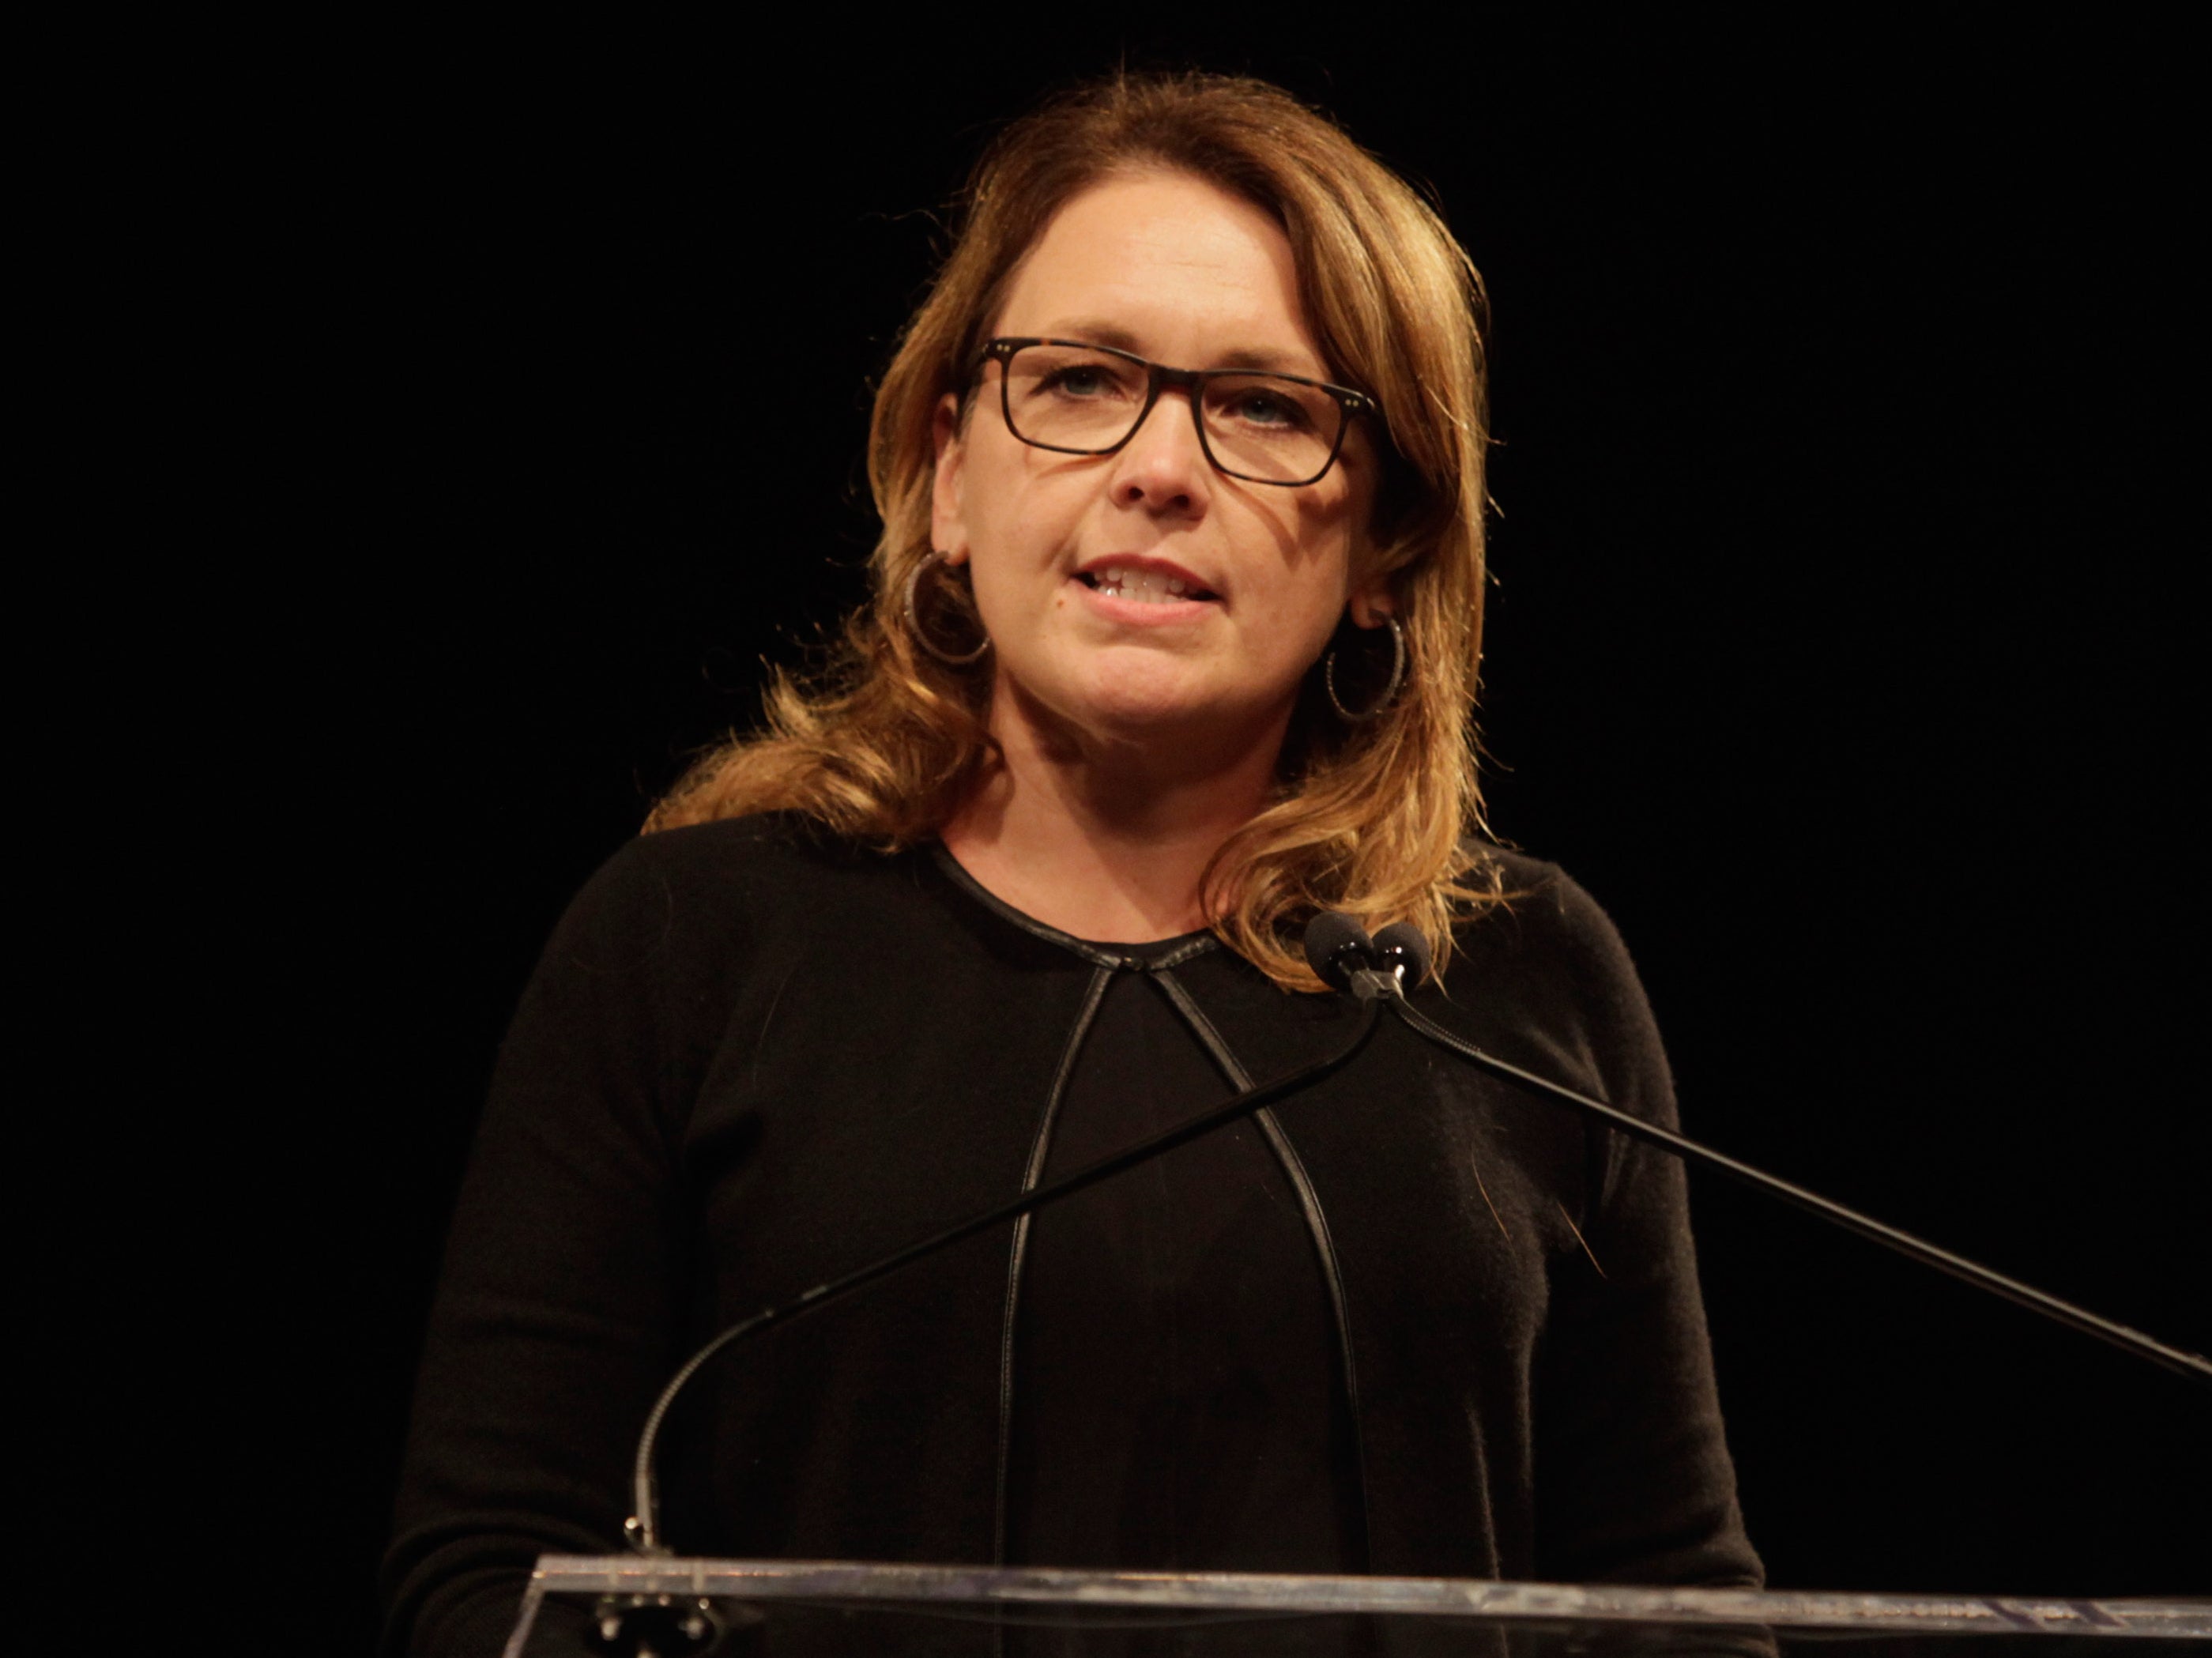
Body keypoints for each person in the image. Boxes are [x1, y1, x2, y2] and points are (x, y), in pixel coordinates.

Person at [381, 71, 1762, 1657]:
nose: (1160, 465)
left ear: (1382, 545)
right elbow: (483, 1570)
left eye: (1263, 406)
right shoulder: (692, 939)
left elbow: (1677, 1610)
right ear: (948, 473)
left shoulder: (1516, 974)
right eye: (1082, 377)